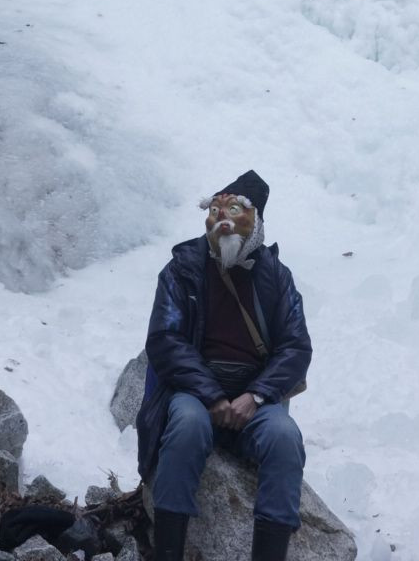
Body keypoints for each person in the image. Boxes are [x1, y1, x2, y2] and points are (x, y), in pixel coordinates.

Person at [137, 170, 312, 561]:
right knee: (186, 426)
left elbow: (296, 346)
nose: (224, 222)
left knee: (284, 437)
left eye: (234, 212)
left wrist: (257, 395)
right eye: (216, 212)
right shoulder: (182, 269)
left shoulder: (277, 277)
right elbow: (165, 338)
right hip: (194, 392)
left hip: (255, 397)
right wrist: (211, 395)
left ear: (256, 223)